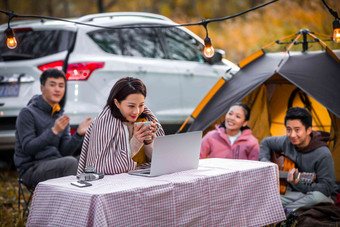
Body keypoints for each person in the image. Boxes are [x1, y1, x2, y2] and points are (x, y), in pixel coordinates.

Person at [14, 68, 91, 188]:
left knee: (90, 161)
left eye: (61, 86)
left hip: (56, 163)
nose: (57, 89)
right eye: (52, 85)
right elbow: (28, 148)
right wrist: (53, 131)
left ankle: (90, 204)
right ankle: (71, 204)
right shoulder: (27, 113)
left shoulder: (59, 114)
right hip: (32, 168)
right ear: (42, 88)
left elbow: (64, 151)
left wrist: (78, 134)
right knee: (70, 163)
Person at [77, 77, 165, 175]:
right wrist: (135, 142)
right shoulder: (103, 124)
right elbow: (101, 169)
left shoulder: (144, 119)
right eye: (131, 106)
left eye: (141, 105)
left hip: (143, 178)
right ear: (117, 103)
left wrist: (149, 142)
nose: (136, 111)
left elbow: (159, 162)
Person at [259, 107, 337, 210]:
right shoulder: (287, 142)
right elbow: (265, 142)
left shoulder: (323, 154)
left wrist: (297, 183)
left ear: (309, 130)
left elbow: (327, 188)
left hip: (319, 196)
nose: (292, 135)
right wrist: (266, 163)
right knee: (266, 199)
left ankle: (286, 213)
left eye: (297, 130)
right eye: (288, 129)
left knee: (316, 197)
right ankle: (289, 210)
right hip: (294, 194)